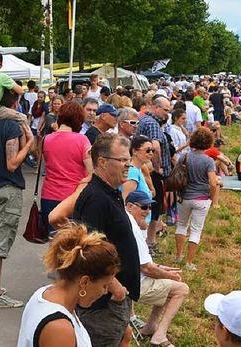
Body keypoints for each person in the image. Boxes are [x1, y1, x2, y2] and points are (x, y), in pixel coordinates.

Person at [72, 133, 140, 347]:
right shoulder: (96, 198)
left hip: (114, 300)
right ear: (101, 161)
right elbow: (89, 249)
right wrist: (115, 287)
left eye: (128, 160)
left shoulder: (110, 192)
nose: (128, 165)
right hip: (103, 303)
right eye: (122, 160)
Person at [17, 223, 120, 347]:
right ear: (84, 282)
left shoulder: (44, 293)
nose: (105, 292)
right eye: (105, 285)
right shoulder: (59, 328)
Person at [0, 89, 34, 307]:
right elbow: (12, 163)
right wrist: (28, 142)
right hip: (8, 188)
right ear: (16, 101)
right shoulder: (11, 125)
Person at [125, 191, 189, 347]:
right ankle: (160, 335)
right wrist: (167, 274)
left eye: (149, 207)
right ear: (129, 207)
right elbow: (147, 269)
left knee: (166, 280)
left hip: (131, 280)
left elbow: (143, 264)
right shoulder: (133, 228)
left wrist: (161, 269)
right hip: (135, 285)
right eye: (144, 207)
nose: (148, 211)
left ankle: (151, 326)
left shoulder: (129, 224)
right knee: (182, 289)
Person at [41, 102, 92, 233]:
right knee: (73, 242)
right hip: (73, 197)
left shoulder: (46, 139)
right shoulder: (82, 140)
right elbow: (90, 172)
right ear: (78, 119)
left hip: (49, 195)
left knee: (55, 242)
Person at [175, 128, 220, 271]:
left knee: (181, 225)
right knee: (196, 230)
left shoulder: (185, 157)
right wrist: (212, 198)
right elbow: (213, 183)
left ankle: (178, 256)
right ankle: (189, 262)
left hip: (184, 196)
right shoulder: (208, 161)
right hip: (201, 198)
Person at [136, 96, 173, 247]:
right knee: (154, 208)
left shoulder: (145, 120)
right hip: (153, 173)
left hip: (147, 169)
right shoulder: (153, 124)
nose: (167, 114)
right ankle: (150, 242)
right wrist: (157, 168)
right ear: (156, 108)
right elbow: (156, 147)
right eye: (165, 110)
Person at [122, 135, 155, 202]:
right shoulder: (132, 173)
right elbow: (125, 202)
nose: (151, 153)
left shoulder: (139, 169)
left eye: (152, 150)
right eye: (148, 150)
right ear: (134, 151)